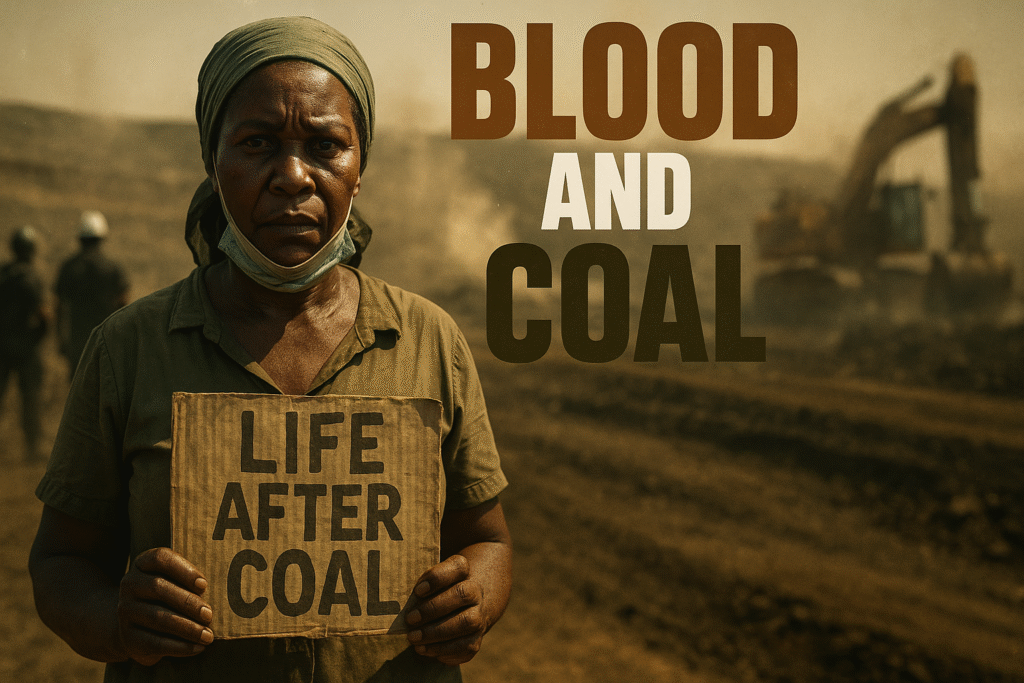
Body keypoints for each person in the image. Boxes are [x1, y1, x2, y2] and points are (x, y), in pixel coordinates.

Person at [29, 16, 511, 683]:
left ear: (359, 166)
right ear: (213, 161)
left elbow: (487, 538)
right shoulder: (128, 348)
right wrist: (116, 618)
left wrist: (472, 600)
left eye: (325, 144)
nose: (292, 176)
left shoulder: (430, 339)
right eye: (256, 142)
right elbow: (58, 561)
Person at [54, 209, 129, 375]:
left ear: (80, 238)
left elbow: (58, 307)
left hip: (77, 342)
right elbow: (123, 307)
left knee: (78, 391)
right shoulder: (112, 269)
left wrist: (61, 339)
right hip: (106, 342)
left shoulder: (69, 267)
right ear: (102, 237)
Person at [0, 225, 48, 462]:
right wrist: (38, 337)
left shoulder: (3, 273)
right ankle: (32, 448)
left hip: (2, 344)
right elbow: (44, 314)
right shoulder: (31, 277)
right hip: (26, 347)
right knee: (30, 398)